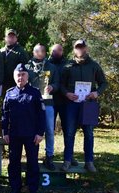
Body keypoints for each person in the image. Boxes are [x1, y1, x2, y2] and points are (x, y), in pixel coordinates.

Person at [60, 40, 107, 172]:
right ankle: (67, 160)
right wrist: (67, 94)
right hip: (71, 104)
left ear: (86, 48)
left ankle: (89, 162)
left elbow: (103, 83)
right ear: (74, 49)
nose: (80, 49)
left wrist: (96, 93)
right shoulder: (68, 66)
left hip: (89, 104)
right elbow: (61, 84)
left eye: (82, 47)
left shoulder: (94, 65)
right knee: (69, 133)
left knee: (89, 133)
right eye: (77, 47)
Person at [2, 64, 45, 193]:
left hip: (31, 135)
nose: (20, 77)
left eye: (23, 75)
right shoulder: (9, 93)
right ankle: (15, 187)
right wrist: (5, 132)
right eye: (18, 75)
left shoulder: (35, 92)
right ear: (15, 77)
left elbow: (41, 115)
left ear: (27, 76)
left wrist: (40, 133)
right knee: (13, 162)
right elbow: (5, 115)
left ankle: (32, 190)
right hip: (14, 134)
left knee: (32, 163)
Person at [26, 44, 59, 171]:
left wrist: (52, 87)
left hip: (48, 103)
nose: (40, 53)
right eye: (37, 51)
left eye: (42, 51)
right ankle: (33, 156)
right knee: (32, 130)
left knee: (50, 130)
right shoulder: (27, 66)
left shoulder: (52, 67)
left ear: (45, 53)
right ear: (33, 52)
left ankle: (49, 156)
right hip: (32, 104)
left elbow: (57, 83)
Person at [0, 29, 29, 94]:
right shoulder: (1, 51)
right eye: (9, 37)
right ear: (5, 38)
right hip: (3, 83)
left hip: (16, 82)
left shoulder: (21, 51)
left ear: (16, 38)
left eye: (13, 37)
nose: (11, 38)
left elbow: (26, 68)